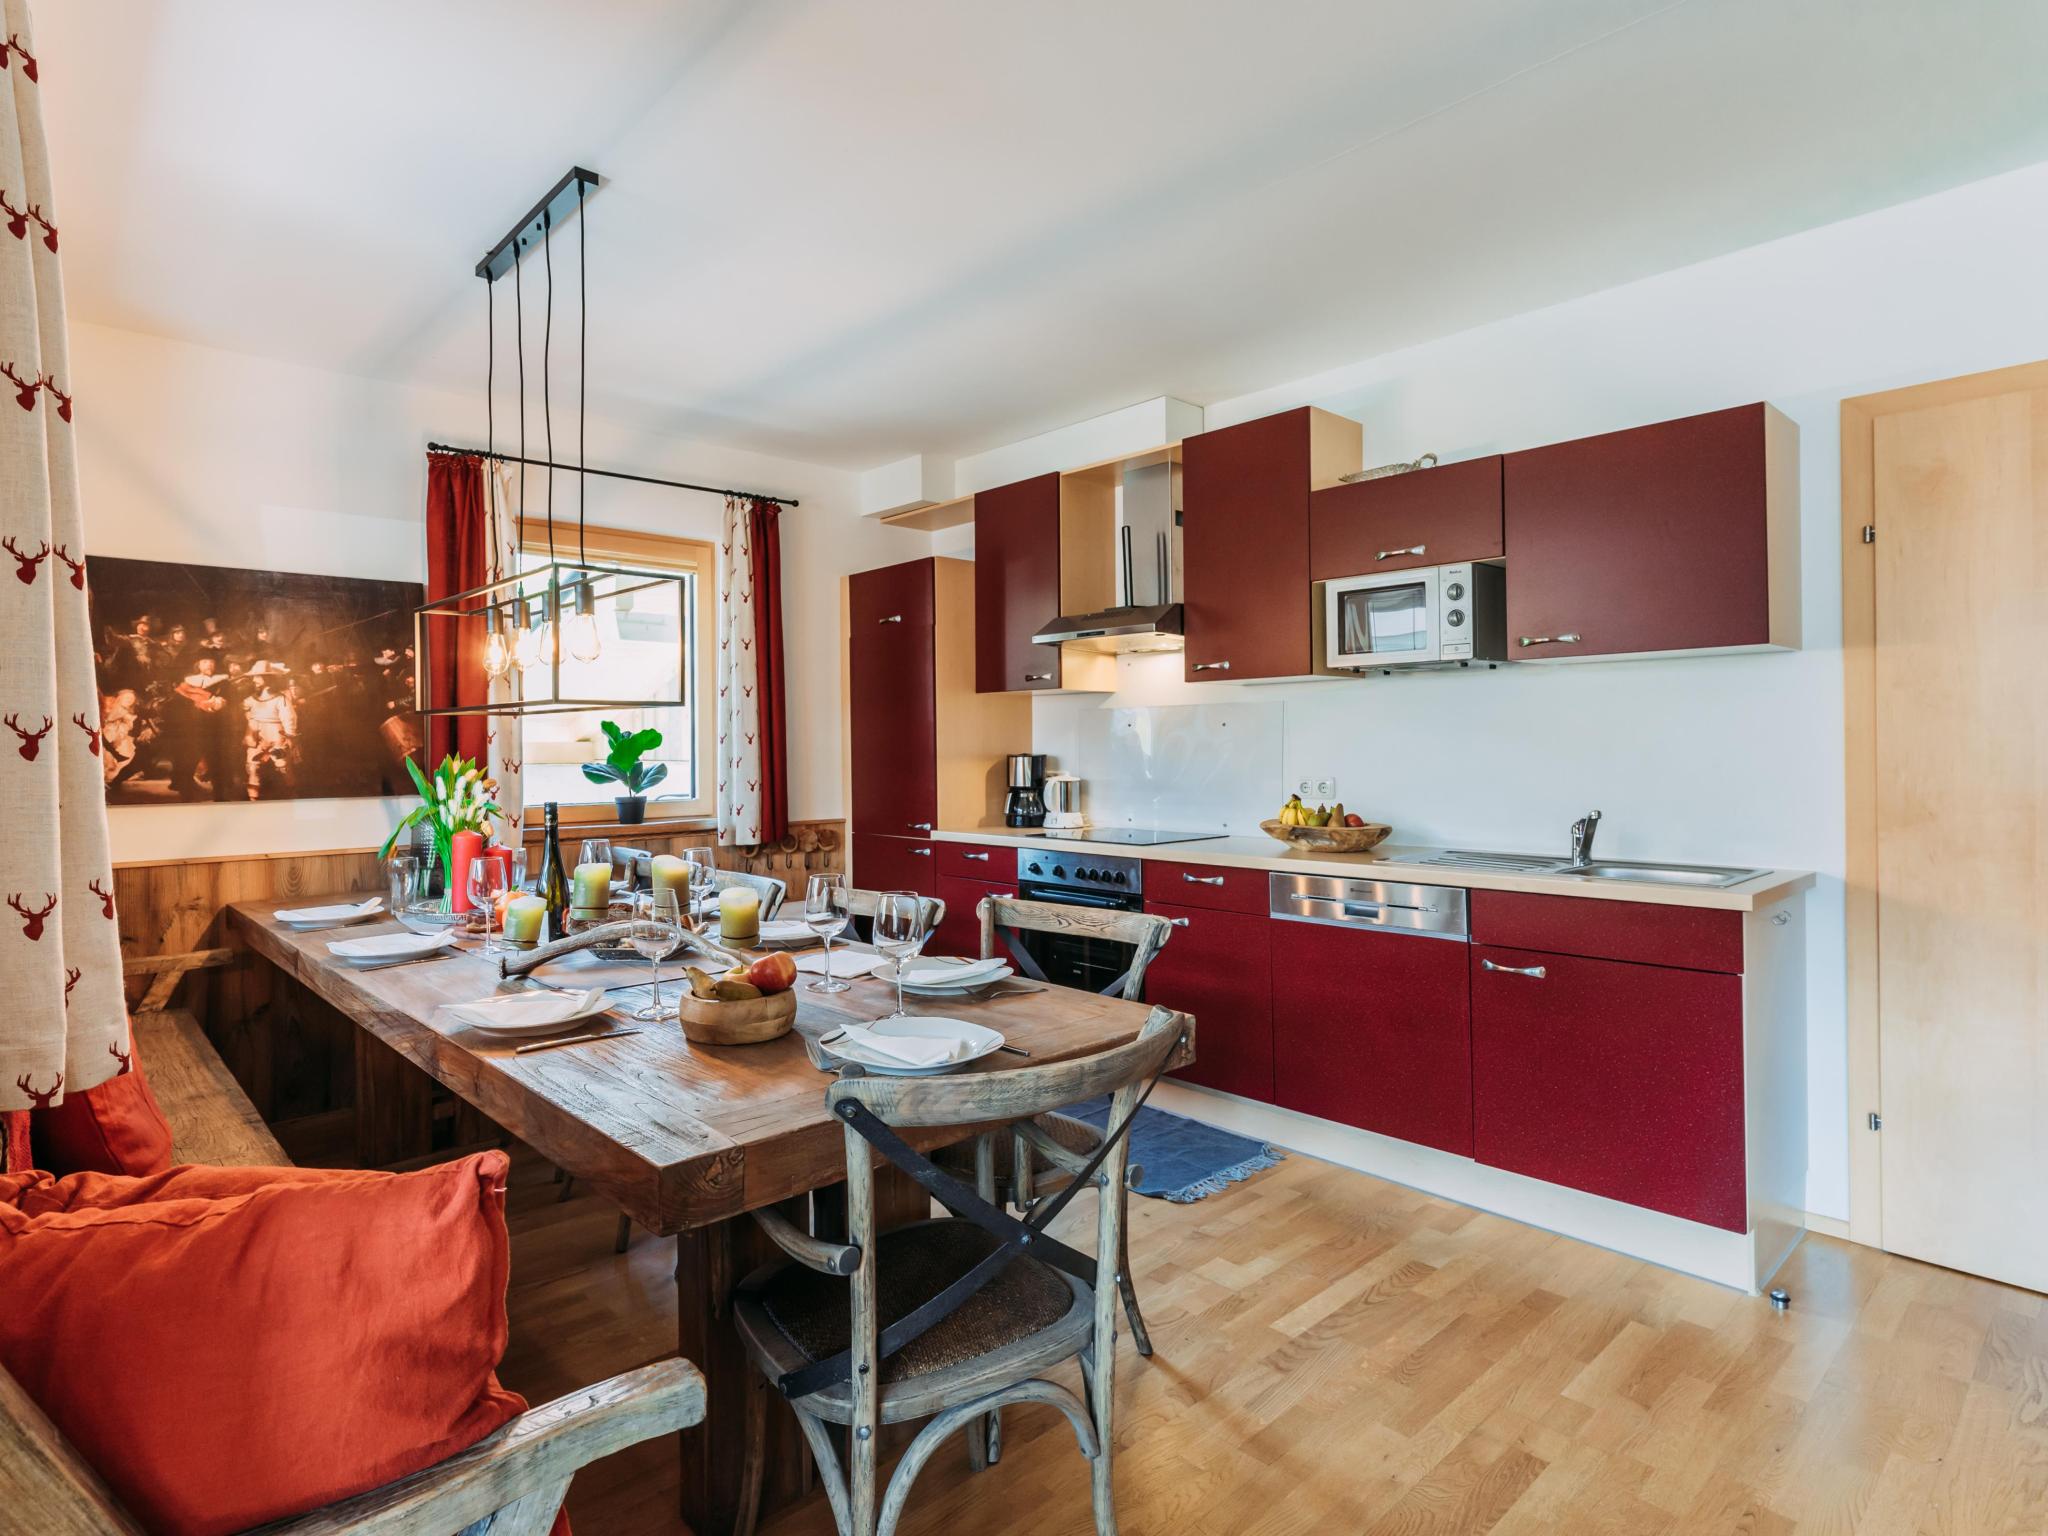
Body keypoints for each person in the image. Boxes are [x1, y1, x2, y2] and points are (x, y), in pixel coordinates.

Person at [242, 663, 299, 800]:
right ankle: (253, 799)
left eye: (258, 677)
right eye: (254, 677)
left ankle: (291, 793)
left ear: (268, 679)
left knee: (282, 765)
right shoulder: (250, 699)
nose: (255, 680)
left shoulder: (281, 699)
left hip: (276, 734)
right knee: (253, 766)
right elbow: (244, 710)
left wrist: (289, 735)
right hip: (255, 734)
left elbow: (289, 717)